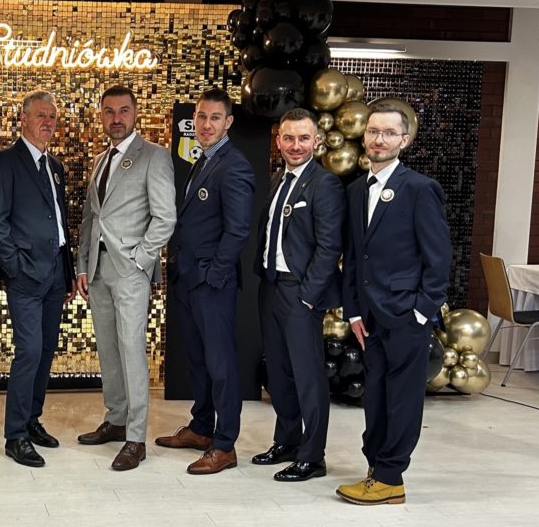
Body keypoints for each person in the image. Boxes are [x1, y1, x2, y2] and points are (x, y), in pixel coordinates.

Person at [337, 102, 450, 505]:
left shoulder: (419, 189)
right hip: (368, 316)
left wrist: (421, 311)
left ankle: (391, 478)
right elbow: (354, 257)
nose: (378, 139)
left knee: (402, 399)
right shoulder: (355, 190)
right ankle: (375, 467)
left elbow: (439, 259)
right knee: (376, 397)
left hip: (405, 315)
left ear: (404, 140)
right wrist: (353, 310)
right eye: (373, 131)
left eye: (388, 133)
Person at [76, 85, 176, 471]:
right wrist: (82, 265)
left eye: (123, 111)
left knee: (132, 351)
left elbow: (165, 217)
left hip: (130, 271)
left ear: (135, 114)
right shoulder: (101, 160)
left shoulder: (154, 156)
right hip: (98, 271)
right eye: (109, 111)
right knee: (108, 349)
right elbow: (91, 218)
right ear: (101, 115)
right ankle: (116, 419)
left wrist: (141, 259)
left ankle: (136, 438)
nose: (115, 118)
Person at [157, 88, 255, 474]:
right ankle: (201, 428)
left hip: (212, 283)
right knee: (197, 360)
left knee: (220, 365)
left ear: (228, 122)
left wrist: (214, 275)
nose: (206, 124)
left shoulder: (234, 165)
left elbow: (238, 230)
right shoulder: (204, 160)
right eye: (201, 116)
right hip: (188, 277)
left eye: (215, 118)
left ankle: (225, 444)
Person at [251, 107, 343, 482]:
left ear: (316, 141)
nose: (296, 145)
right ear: (279, 141)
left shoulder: (325, 184)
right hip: (271, 287)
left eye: (304, 138)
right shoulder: (279, 178)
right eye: (289, 138)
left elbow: (329, 246)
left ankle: (313, 455)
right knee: (279, 372)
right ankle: (287, 441)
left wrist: (309, 295)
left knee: (308, 377)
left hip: (299, 293)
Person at [0, 89, 75, 468]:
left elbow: (60, 222)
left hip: (55, 274)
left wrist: (67, 272)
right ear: (23, 119)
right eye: (41, 115)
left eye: (52, 116)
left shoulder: (55, 166)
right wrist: (14, 266)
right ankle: (15, 435)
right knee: (30, 352)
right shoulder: (5, 162)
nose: (48, 122)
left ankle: (32, 420)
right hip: (25, 274)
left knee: (46, 350)